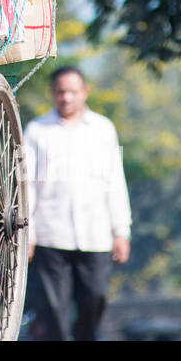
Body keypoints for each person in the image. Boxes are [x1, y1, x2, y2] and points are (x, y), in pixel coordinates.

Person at [23, 66, 132, 340]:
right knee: (52, 310)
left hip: (95, 234)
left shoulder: (103, 129)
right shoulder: (36, 131)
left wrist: (121, 231)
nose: (66, 98)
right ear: (52, 93)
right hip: (50, 234)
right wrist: (28, 233)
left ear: (85, 93)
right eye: (61, 92)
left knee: (94, 299)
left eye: (72, 92)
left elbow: (115, 181)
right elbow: (26, 186)